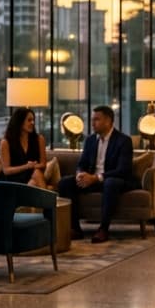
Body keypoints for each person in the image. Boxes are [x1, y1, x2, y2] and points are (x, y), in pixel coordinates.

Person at [57, 105, 135, 245]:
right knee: (65, 183)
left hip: (115, 180)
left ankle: (103, 229)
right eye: (92, 120)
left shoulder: (123, 141)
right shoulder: (91, 140)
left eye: (96, 120)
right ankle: (75, 228)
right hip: (93, 180)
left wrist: (96, 177)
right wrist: (80, 174)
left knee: (110, 183)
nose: (92, 123)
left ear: (108, 121)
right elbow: (82, 163)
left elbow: (123, 170)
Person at [0, 107, 49, 188]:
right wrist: (26, 166)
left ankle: (44, 199)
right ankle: (49, 199)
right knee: (35, 176)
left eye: (33, 120)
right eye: (29, 120)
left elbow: (43, 164)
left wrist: (32, 166)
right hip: (12, 178)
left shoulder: (39, 139)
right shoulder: (6, 142)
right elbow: (6, 170)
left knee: (34, 178)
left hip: (31, 174)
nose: (32, 123)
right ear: (19, 122)